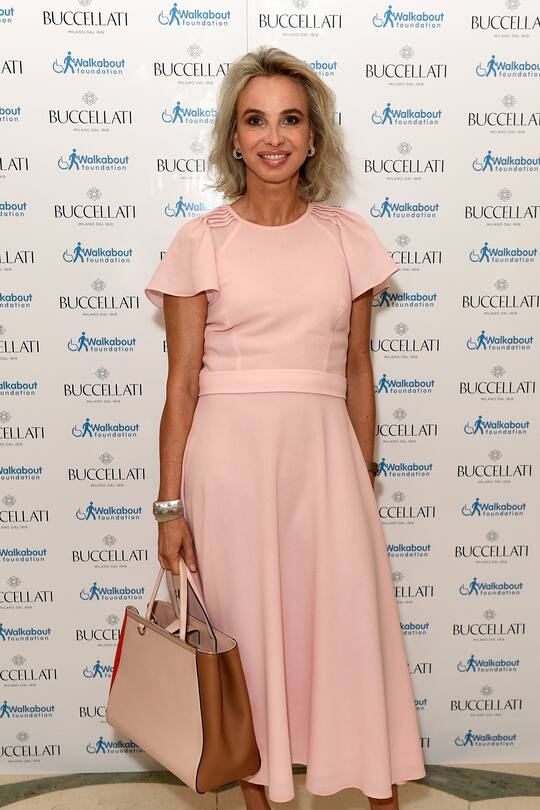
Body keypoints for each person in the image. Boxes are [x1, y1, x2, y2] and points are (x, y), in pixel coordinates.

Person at [145, 45, 426, 810]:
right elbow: (180, 386)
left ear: (313, 135)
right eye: (255, 120)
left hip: (327, 465)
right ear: (234, 138)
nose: (274, 137)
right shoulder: (203, 239)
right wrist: (169, 508)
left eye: (291, 120)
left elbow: (358, 370)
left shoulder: (347, 238)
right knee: (248, 640)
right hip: (229, 468)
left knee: (346, 631)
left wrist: (363, 473)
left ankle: (377, 792)